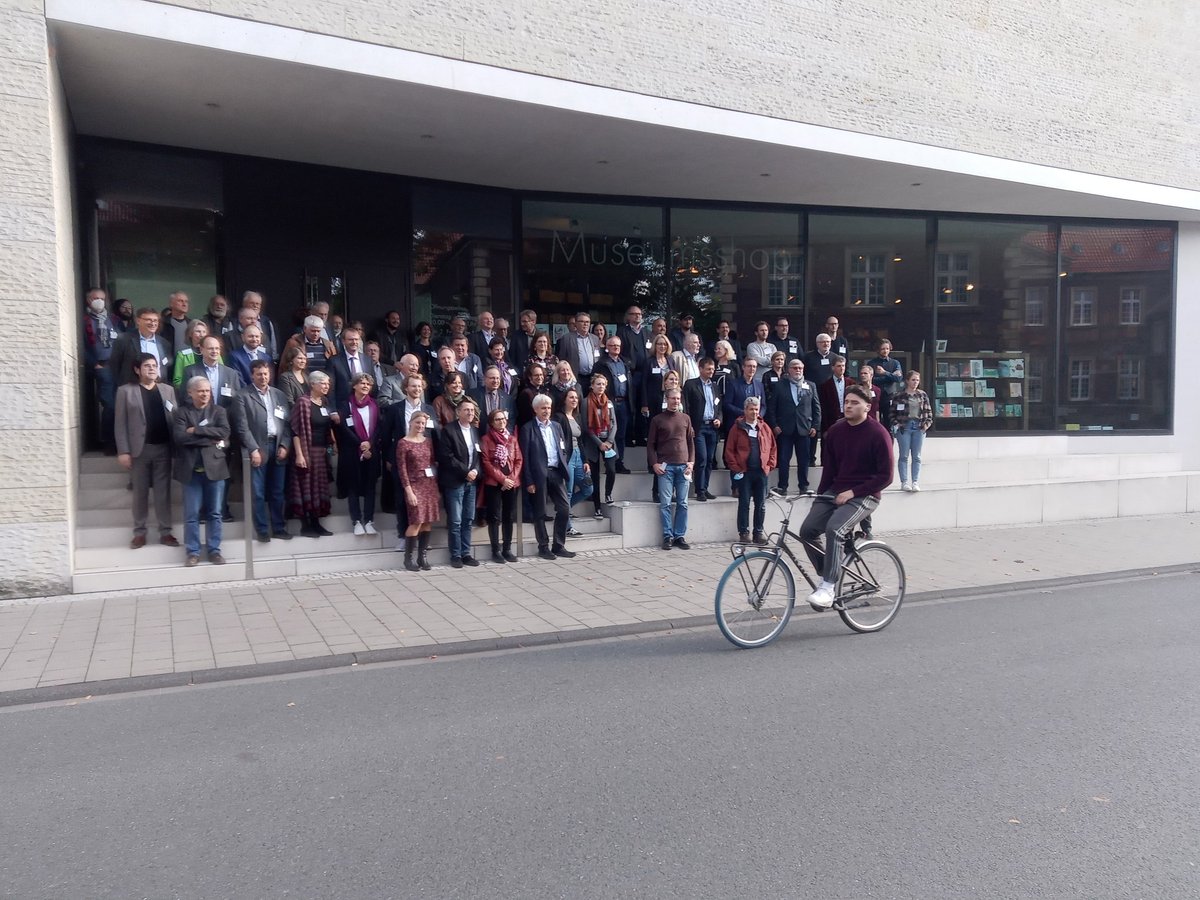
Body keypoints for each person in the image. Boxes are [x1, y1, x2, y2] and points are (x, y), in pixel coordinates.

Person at [800, 385, 893, 608]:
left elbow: (886, 476)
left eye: (854, 403)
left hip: (866, 494)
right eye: (847, 402)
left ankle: (828, 587)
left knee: (835, 528)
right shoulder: (836, 431)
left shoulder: (878, 433)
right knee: (807, 530)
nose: (849, 406)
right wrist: (820, 497)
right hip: (837, 490)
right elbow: (829, 470)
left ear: (867, 407)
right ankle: (829, 572)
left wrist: (853, 492)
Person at [115, 354, 180, 549]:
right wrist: (123, 451)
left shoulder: (168, 390)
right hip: (139, 450)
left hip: (164, 449)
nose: (152, 369)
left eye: (154, 365)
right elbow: (120, 424)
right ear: (137, 370)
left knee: (163, 493)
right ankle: (140, 532)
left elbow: (175, 418)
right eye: (147, 366)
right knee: (140, 493)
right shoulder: (125, 391)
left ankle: (165, 532)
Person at [233, 359, 293, 542]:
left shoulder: (279, 395)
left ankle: (279, 527)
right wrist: (253, 449)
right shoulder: (242, 396)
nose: (263, 377)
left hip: (277, 446)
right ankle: (262, 530)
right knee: (258, 493)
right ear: (252, 375)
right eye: (259, 374)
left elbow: (287, 424)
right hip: (258, 447)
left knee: (277, 491)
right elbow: (242, 427)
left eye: (266, 374)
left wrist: (285, 445)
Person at [173, 375, 231, 566]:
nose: (205, 394)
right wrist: (209, 438)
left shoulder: (219, 411)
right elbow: (180, 439)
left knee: (215, 513)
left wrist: (195, 430)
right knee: (191, 515)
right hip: (191, 471)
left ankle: (214, 551)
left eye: (207, 390)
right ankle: (193, 552)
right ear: (190, 393)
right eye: (200, 391)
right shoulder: (182, 413)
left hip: (215, 469)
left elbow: (224, 433)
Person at [381, 371, 437, 549]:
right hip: (402, 460)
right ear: (406, 388)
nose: (417, 389)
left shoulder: (429, 410)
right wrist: (390, 458)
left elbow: (434, 435)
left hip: (423, 463)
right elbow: (385, 434)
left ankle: (421, 539)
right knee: (403, 499)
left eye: (420, 386)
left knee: (424, 502)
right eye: (413, 386)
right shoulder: (394, 409)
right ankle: (403, 536)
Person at [518, 394, 575, 560]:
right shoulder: (528, 428)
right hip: (538, 475)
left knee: (564, 508)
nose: (547, 411)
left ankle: (559, 545)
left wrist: (563, 463)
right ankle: (543, 546)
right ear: (535, 409)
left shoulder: (556, 426)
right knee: (540, 512)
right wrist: (528, 481)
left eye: (549, 407)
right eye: (543, 408)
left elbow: (563, 448)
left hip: (556, 472)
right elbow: (525, 457)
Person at [289, 370, 338, 537]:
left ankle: (317, 523)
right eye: (323, 383)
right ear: (312, 384)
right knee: (306, 488)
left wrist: (333, 443)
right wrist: (299, 455)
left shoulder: (324, 402)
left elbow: (327, 426)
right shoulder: (303, 402)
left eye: (328, 383)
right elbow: (295, 430)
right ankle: (306, 525)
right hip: (307, 450)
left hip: (322, 452)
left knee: (319, 489)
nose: (326, 386)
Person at [724, 395, 777, 544]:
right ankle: (744, 532)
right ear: (745, 410)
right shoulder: (737, 427)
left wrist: (770, 464)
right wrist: (736, 468)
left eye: (756, 409)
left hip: (761, 472)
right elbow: (729, 450)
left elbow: (773, 447)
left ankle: (758, 533)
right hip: (744, 472)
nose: (754, 412)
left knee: (761, 504)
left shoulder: (764, 427)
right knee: (744, 503)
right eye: (751, 409)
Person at [647, 387, 694, 550]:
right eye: (673, 398)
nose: (676, 401)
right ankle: (668, 536)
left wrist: (691, 462)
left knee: (683, 503)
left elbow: (690, 442)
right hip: (665, 468)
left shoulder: (686, 418)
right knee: (665, 503)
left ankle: (679, 536)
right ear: (667, 399)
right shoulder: (657, 420)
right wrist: (654, 463)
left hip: (683, 467)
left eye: (678, 399)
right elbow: (650, 445)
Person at [437, 395, 482, 568]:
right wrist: (466, 472)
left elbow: (478, 454)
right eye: (466, 410)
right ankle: (455, 555)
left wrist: (476, 471)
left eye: (472, 410)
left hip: (472, 481)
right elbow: (446, 457)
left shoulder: (474, 430)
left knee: (468, 519)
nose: (470, 413)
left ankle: (466, 553)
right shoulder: (449, 430)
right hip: (455, 481)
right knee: (455, 520)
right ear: (458, 412)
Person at [767, 357, 820, 497]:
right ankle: (782, 486)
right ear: (788, 370)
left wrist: (815, 426)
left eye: (800, 368)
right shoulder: (780, 385)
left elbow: (816, 408)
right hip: (785, 429)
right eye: (795, 368)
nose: (798, 370)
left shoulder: (811, 385)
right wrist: (774, 425)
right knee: (784, 459)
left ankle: (803, 486)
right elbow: (772, 408)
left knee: (804, 459)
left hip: (804, 428)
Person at [338, 372, 382, 535]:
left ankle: (369, 520)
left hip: (372, 450)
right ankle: (356, 521)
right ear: (354, 385)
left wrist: (369, 444)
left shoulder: (375, 405)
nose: (365, 386)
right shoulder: (346, 405)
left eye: (368, 384)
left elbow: (378, 427)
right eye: (362, 383)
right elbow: (344, 427)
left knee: (370, 487)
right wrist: (360, 443)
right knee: (353, 487)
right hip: (352, 450)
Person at [396, 410, 439, 571]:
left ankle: (422, 557)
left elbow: (433, 462)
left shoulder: (428, 441)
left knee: (427, 521)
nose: (420, 426)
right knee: (416, 522)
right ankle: (408, 559)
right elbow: (402, 469)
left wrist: (436, 485)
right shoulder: (403, 443)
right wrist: (409, 491)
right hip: (414, 486)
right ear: (411, 422)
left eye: (423, 423)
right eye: (418, 422)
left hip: (429, 485)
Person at [480, 406, 523, 563]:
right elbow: (486, 462)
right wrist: (502, 479)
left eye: (503, 419)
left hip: (512, 483)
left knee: (509, 516)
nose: (501, 422)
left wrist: (510, 479)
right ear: (492, 422)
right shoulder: (486, 439)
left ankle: (507, 548)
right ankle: (495, 550)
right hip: (494, 483)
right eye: (497, 419)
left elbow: (518, 460)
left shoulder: (512, 439)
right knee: (494, 517)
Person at [82, 287, 119, 452]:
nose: (99, 301)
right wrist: (93, 363)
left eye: (102, 298)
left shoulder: (113, 320)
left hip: (118, 366)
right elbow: (80, 345)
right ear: (89, 300)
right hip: (102, 366)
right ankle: (108, 442)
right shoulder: (85, 320)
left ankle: (121, 442)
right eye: (96, 298)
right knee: (109, 405)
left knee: (122, 404)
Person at [554, 385, 592, 538]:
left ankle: (565, 509)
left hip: (578, 456)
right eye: (571, 397)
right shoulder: (559, 417)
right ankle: (568, 527)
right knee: (568, 492)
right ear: (564, 399)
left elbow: (580, 440)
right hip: (567, 457)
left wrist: (586, 460)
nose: (574, 400)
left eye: (576, 398)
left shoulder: (576, 417)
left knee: (588, 489)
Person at [683, 357, 723, 501]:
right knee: (702, 458)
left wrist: (719, 418)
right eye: (708, 369)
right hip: (698, 427)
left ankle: (705, 488)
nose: (711, 372)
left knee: (710, 460)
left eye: (713, 369)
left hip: (712, 427)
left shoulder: (715, 386)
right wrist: (689, 426)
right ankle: (699, 490)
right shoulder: (691, 384)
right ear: (700, 369)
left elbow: (719, 407)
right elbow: (686, 406)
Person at [592, 335, 633, 473]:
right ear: (607, 347)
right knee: (608, 434)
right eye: (612, 345)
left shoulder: (625, 363)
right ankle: (609, 462)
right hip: (608, 403)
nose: (616, 347)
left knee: (621, 434)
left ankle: (619, 461)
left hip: (623, 403)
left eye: (618, 345)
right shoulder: (601, 364)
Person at [580, 372, 617, 515]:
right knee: (595, 476)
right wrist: (599, 443)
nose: (601, 386)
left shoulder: (609, 402)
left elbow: (614, 424)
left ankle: (608, 494)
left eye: (603, 384)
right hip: (593, 442)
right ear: (592, 386)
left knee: (611, 469)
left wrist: (609, 441)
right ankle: (597, 508)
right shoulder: (585, 402)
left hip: (608, 441)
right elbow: (585, 426)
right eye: (598, 384)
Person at [892, 370, 933, 492]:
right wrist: (896, 424)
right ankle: (904, 482)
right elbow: (892, 413)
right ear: (907, 381)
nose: (915, 382)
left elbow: (929, 412)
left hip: (919, 427)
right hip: (905, 427)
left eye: (917, 380)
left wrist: (926, 425)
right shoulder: (899, 395)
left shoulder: (922, 395)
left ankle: (915, 481)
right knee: (903, 455)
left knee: (917, 456)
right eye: (913, 380)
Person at [616, 305, 652, 447]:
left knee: (643, 405)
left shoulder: (647, 333)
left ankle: (641, 435)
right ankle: (628, 437)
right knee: (630, 406)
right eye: (634, 314)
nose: (637, 316)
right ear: (628, 316)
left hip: (645, 374)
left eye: (639, 314)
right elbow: (620, 352)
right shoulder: (623, 332)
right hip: (630, 373)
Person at [109, 307, 172, 386]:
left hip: (157, 387)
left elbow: (167, 367)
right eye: (148, 320)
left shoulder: (164, 344)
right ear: (138, 321)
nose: (153, 323)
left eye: (155, 320)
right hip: (132, 388)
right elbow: (114, 366)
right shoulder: (124, 340)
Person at [818, 354, 856, 441]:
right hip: (832, 420)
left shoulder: (852, 383)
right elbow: (823, 408)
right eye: (839, 366)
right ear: (833, 368)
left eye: (843, 366)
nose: (842, 368)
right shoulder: (825, 386)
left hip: (849, 418)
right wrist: (825, 428)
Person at [555, 311, 601, 378]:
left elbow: (597, 356)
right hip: (575, 376)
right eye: (582, 321)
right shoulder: (566, 338)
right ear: (576, 323)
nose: (585, 324)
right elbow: (562, 359)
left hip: (593, 377)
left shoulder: (595, 339)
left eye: (587, 322)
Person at [639, 334, 674, 422]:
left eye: (665, 344)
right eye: (660, 344)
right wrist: (644, 404)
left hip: (668, 399)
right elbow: (643, 384)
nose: (662, 346)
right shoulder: (649, 362)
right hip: (653, 400)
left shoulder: (670, 360)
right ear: (655, 345)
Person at [470, 365, 516, 430]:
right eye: (492, 378)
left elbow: (511, 420)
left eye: (497, 378)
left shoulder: (508, 399)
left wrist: (505, 436)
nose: (495, 381)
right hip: (479, 436)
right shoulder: (473, 395)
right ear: (484, 379)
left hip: (500, 438)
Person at [172, 319, 212, 388]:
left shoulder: (214, 352)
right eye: (198, 331)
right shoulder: (182, 355)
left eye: (204, 332)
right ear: (190, 334)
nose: (201, 335)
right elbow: (177, 380)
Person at [516, 363, 547, 431]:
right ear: (530, 377)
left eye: (541, 375)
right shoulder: (526, 393)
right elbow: (528, 415)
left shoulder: (544, 391)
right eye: (536, 375)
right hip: (531, 429)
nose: (539, 377)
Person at [160, 290, 191, 358]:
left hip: (188, 364)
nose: (184, 304)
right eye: (180, 301)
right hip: (169, 365)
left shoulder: (192, 324)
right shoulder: (162, 324)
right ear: (171, 304)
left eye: (186, 301)